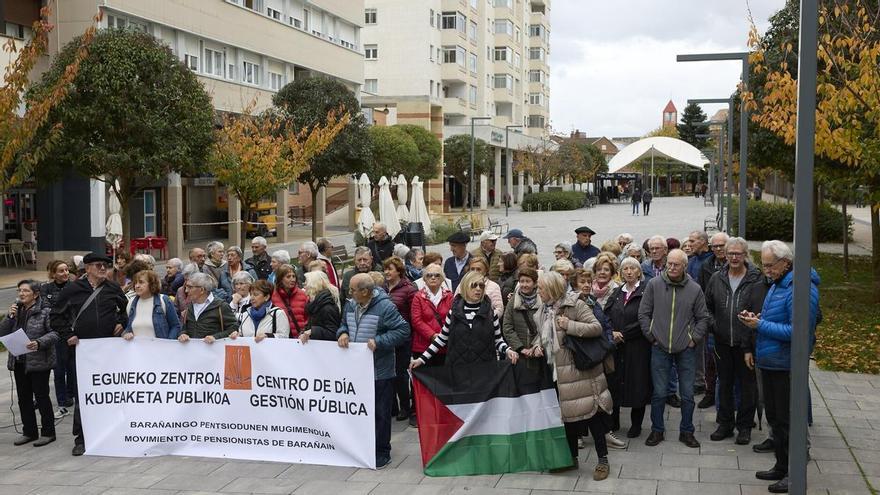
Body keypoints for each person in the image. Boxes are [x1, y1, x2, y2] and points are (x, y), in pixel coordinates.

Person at [740, 240, 819, 494]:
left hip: (786, 365)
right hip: (771, 361)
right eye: (763, 265)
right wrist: (759, 319)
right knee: (775, 418)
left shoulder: (800, 287)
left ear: (785, 263)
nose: (766, 270)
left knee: (787, 421)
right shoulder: (779, 284)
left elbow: (798, 331)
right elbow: (778, 318)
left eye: (769, 265)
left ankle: (793, 473)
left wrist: (759, 326)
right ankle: (781, 465)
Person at [533, 271, 612, 480]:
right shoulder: (543, 310)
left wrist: (569, 325)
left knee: (593, 416)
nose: (537, 291)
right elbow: (543, 336)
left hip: (582, 372)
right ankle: (571, 459)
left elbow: (596, 328)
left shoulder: (575, 304)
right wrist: (536, 346)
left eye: (541, 287)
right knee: (568, 419)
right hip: (559, 375)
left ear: (551, 289)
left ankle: (603, 460)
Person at [50, 252, 128, 456]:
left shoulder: (112, 288)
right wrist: (68, 335)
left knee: (110, 393)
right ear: (87, 268)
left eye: (105, 265)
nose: (103, 268)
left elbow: (125, 310)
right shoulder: (72, 289)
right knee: (84, 394)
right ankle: (82, 438)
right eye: (98, 265)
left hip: (109, 349)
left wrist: (121, 323)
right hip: (82, 351)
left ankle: (111, 433)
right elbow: (56, 317)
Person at [337, 273, 410, 469]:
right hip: (356, 370)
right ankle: (363, 447)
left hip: (380, 371)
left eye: (352, 290)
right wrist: (342, 333)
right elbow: (343, 324)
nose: (349, 293)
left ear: (365, 291)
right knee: (359, 412)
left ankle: (381, 452)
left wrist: (379, 342)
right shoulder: (351, 304)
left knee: (380, 413)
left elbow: (403, 330)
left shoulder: (385, 307)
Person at [638, 249, 710, 449]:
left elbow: (703, 317)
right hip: (659, 347)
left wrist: (693, 339)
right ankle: (657, 430)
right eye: (669, 263)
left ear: (684, 266)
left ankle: (687, 431)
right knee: (659, 393)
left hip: (685, 349)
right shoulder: (654, 285)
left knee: (687, 395)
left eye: (676, 264)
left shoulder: (695, 289)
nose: (671, 267)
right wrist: (651, 337)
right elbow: (643, 313)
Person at [704, 237, 768, 445]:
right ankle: (725, 424)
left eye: (738, 254)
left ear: (745, 255)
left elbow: (759, 314)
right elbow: (707, 307)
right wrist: (714, 326)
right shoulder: (717, 278)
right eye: (730, 253)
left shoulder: (756, 279)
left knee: (748, 386)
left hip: (745, 345)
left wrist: (749, 344)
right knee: (724, 384)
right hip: (722, 340)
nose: (733, 257)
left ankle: (744, 426)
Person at [412, 270, 517, 367]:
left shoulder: (491, 313)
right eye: (473, 285)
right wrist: (421, 360)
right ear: (465, 287)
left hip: (485, 370)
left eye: (481, 286)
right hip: (458, 369)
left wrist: (508, 351)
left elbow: (498, 340)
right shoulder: (453, 313)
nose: (478, 289)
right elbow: (441, 339)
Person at [2, 280, 58, 447]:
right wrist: (9, 316)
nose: (21, 294)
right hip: (19, 361)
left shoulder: (45, 312)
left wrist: (39, 342)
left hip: (39, 361)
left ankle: (48, 432)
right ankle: (29, 432)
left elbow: (55, 333)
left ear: (35, 294)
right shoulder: (16, 311)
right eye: (20, 290)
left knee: (41, 397)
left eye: (26, 291)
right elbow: (2, 332)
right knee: (23, 398)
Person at [604, 258, 652, 440]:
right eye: (625, 269)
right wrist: (612, 332)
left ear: (639, 272)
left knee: (637, 383)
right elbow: (605, 314)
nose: (629, 272)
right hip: (616, 347)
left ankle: (636, 424)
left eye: (633, 268)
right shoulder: (617, 292)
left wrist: (623, 333)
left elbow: (646, 318)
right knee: (614, 383)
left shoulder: (645, 291)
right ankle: (614, 421)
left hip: (637, 346)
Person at [384, 256, 417, 422]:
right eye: (385, 269)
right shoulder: (382, 287)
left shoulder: (409, 289)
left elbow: (413, 314)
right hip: (386, 337)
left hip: (403, 337)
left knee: (400, 373)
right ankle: (393, 407)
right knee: (388, 373)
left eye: (390, 269)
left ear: (399, 271)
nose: (386, 272)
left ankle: (405, 406)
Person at [41, 261, 74, 419]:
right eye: (61, 271)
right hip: (56, 332)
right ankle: (62, 402)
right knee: (59, 369)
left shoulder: (74, 286)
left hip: (72, 331)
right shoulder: (45, 288)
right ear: (53, 274)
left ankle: (70, 395)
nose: (65, 273)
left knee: (72, 368)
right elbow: (46, 309)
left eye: (67, 270)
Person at [410, 264, 453, 379]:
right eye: (429, 275)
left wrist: (442, 336)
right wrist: (432, 335)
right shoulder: (418, 297)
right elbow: (416, 321)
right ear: (424, 279)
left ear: (443, 278)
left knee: (443, 381)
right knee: (425, 382)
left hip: (444, 347)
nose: (433, 278)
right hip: (422, 346)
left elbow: (452, 318)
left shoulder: (450, 296)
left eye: (437, 275)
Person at [178, 272, 238, 343]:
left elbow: (233, 329)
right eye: (186, 287)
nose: (186, 290)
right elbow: (185, 328)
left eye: (190, 287)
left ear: (202, 290)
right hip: (192, 352)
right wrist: (183, 334)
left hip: (214, 352)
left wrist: (215, 337)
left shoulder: (221, 306)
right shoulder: (189, 306)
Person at [502, 267, 542, 368]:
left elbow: (546, 326)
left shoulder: (543, 300)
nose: (524, 285)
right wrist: (520, 348)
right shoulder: (513, 301)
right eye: (522, 281)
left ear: (535, 283)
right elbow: (507, 327)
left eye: (528, 281)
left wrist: (538, 346)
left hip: (539, 352)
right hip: (519, 353)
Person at [122, 270, 181, 340]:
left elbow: (175, 326)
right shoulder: (131, 303)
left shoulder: (164, 300)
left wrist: (167, 343)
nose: (137, 286)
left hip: (160, 349)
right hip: (137, 350)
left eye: (141, 282)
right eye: (135, 283)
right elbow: (129, 328)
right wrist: (127, 333)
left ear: (152, 284)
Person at [271, 264, 309, 338]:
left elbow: (308, 318)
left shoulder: (303, 295)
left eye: (294, 276)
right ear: (280, 279)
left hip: (301, 339)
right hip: (282, 340)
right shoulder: (273, 296)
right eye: (288, 277)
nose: (292, 279)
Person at [301, 271, 341, 341]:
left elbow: (333, 333)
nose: (304, 286)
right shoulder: (316, 304)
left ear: (313, 285)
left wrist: (312, 331)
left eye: (306, 283)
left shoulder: (327, 307)